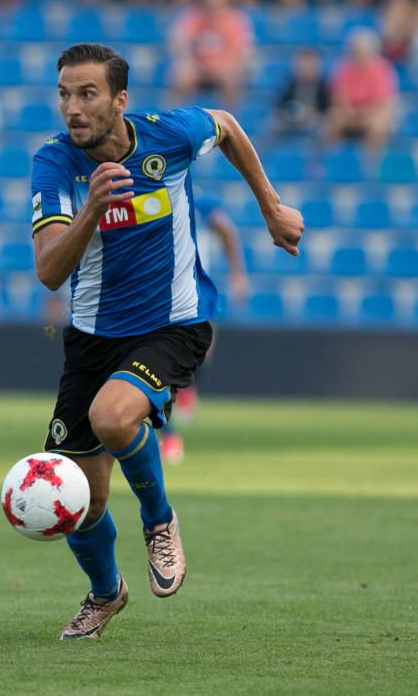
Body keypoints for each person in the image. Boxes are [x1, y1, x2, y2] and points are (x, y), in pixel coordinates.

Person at [30, 43, 303, 641]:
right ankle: (106, 594)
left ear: (119, 100)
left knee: (112, 415)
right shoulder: (55, 165)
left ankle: (159, 520)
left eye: (87, 94)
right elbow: (49, 271)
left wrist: (271, 205)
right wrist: (93, 209)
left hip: (174, 323)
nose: (72, 108)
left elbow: (227, 126)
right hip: (91, 337)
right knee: (81, 500)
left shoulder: (168, 136)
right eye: (64, 95)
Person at [159, 192, 248, 465]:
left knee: (197, 354)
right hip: (157, 293)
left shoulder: (199, 201)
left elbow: (226, 229)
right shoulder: (144, 195)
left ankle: (186, 389)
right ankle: (169, 434)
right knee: (157, 367)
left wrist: (237, 273)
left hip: (195, 292)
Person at [325, 28, 400, 157]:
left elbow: (383, 100)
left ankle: (370, 165)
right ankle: (335, 160)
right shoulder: (343, 67)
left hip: (372, 112)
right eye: (355, 50)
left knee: (378, 123)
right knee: (333, 119)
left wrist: (363, 113)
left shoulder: (383, 68)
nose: (358, 54)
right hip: (350, 112)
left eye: (361, 51)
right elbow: (338, 96)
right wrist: (349, 111)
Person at [168, 0, 255, 108]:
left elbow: (243, 50)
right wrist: (190, 61)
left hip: (224, 67)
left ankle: (227, 121)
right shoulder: (192, 16)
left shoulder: (236, 18)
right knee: (181, 75)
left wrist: (226, 65)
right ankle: (174, 120)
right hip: (197, 66)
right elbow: (179, 43)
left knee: (232, 79)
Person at [272, 48, 330, 138]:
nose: (305, 68)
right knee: (274, 122)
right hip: (292, 119)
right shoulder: (289, 84)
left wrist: (314, 115)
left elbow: (328, 109)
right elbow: (280, 105)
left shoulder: (324, 86)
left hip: (315, 121)